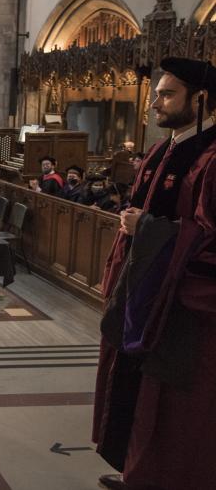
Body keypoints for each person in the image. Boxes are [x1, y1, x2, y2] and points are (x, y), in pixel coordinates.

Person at [93, 57, 216, 490]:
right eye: (156, 93)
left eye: (166, 94)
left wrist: (144, 227)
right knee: (134, 391)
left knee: (168, 406)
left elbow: (207, 237)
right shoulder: (165, 149)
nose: (154, 104)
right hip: (140, 293)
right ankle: (135, 470)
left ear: (200, 99)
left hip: (180, 307)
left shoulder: (210, 158)